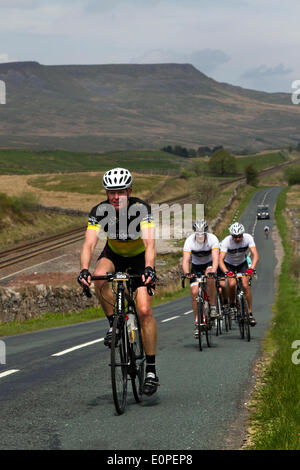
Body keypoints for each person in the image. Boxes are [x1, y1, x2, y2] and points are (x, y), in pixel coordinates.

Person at [77, 168, 159, 396]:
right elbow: (89, 244)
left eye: (120, 192)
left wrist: (150, 268)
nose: (115, 197)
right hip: (113, 255)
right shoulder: (99, 211)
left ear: (129, 191)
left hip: (140, 259)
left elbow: (150, 244)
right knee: (99, 278)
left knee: (143, 310)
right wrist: (84, 269)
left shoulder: (141, 209)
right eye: (111, 192)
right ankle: (115, 322)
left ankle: (151, 370)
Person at [182, 219, 220, 339]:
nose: (199, 236)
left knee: (209, 277)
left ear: (205, 232)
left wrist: (213, 271)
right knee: (194, 293)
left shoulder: (212, 239)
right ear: (194, 233)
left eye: (202, 233)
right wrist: (187, 273)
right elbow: (186, 260)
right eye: (197, 233)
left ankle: (213, 307)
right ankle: (198, 322)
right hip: (196, 267)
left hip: (209, 264)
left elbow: (215, 258)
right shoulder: (189, 241)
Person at [219, 222, 259, 326]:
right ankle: (232, 305)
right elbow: (220, 260)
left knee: (245, 286)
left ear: (243, 234)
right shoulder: (226, 241)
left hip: (242, 263)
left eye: (239, 236)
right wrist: (227, 272)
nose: (237, 239)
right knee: (232, 284)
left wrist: (251, 268)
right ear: (231, 235)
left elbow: (255, 255)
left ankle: (250, 314)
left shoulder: (248, 238)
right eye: (235, 237)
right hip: (229, 265)